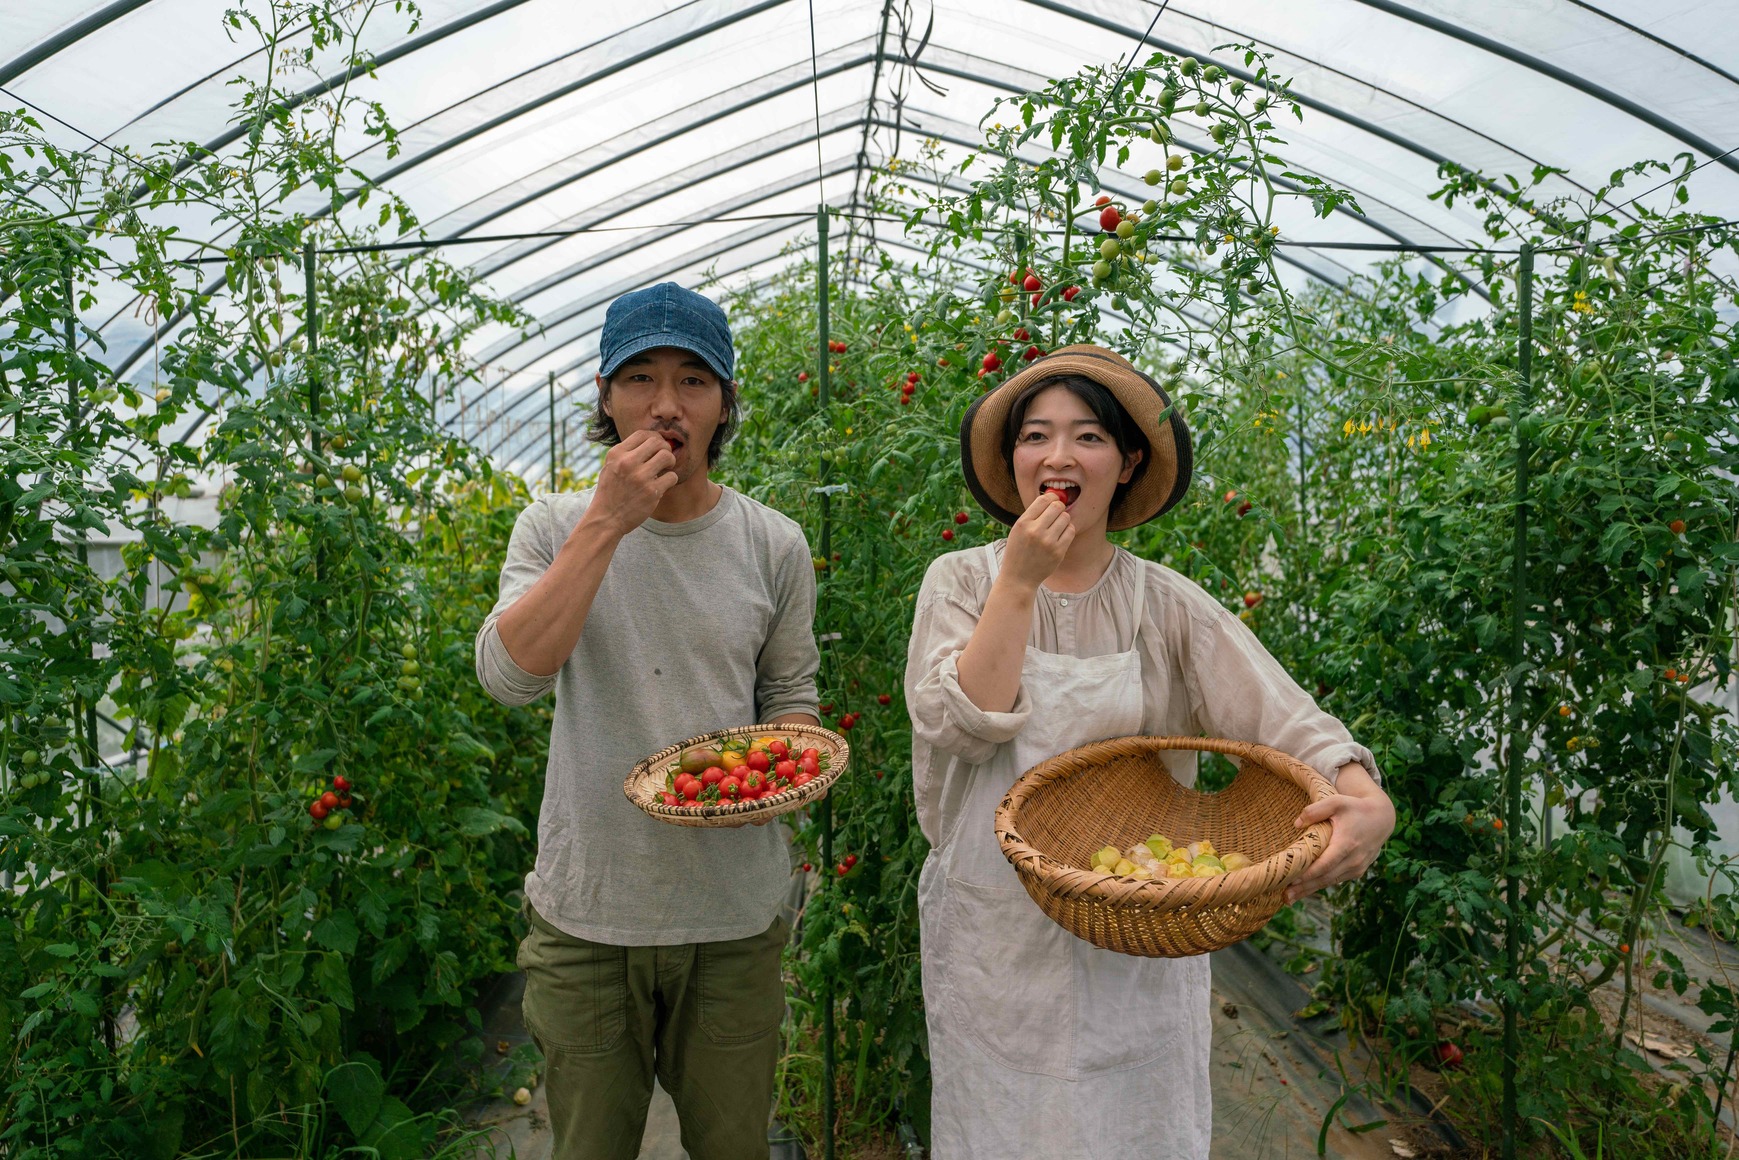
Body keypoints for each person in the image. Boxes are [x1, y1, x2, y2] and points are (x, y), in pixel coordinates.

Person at [904, 343, 1395, 1157]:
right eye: (1035, 435)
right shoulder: (959, 582)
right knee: (1001, 1123)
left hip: (1140, 927)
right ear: (1012, 458)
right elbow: (961, 721)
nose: (1059, 455)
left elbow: (1289, 722)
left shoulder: (1162, 603)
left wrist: (1364, 796)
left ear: (1127, 462)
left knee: (1132, 1127)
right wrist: (1018, 582)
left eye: (1089, 437)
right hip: (998, 933)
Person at [475, 282, 820, 1160]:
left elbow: (789, 699)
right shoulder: (553, 528)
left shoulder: (771, 544)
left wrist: (783, 772)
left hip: (732, 918)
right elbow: (511, 676)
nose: (664, 405)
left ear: (724, 405)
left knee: (733, 1146)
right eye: (639, 377)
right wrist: (607, 521)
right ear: (604, 394)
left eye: (693, 380)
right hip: (590, 916)